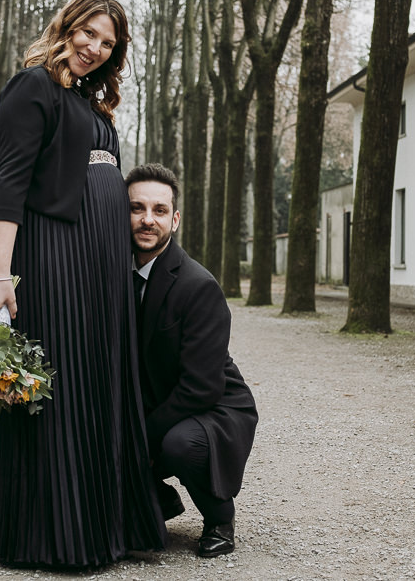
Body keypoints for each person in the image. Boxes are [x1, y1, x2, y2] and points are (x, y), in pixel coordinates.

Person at [0, 0, 165, 568]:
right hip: (56, 254)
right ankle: (55, 536)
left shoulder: (89, 100)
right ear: (66, 27)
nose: (95, 48)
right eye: (89, 33)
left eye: (108, 43)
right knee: (61, 382)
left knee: (99, 379)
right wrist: (0, 275)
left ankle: (104, 524)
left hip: (101, 262)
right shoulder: (32, 86)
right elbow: (9, 184)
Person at [125, 163, 258, 558]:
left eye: (159, 210)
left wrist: (141, 436)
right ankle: (157, 499)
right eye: (136, 208)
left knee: (180, 444)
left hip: (213, 406)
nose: (148, 220)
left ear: (175, 219)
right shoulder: (112, 275)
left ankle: (219, 517)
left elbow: (201, 387)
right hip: (157, 402)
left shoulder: (198, 286)